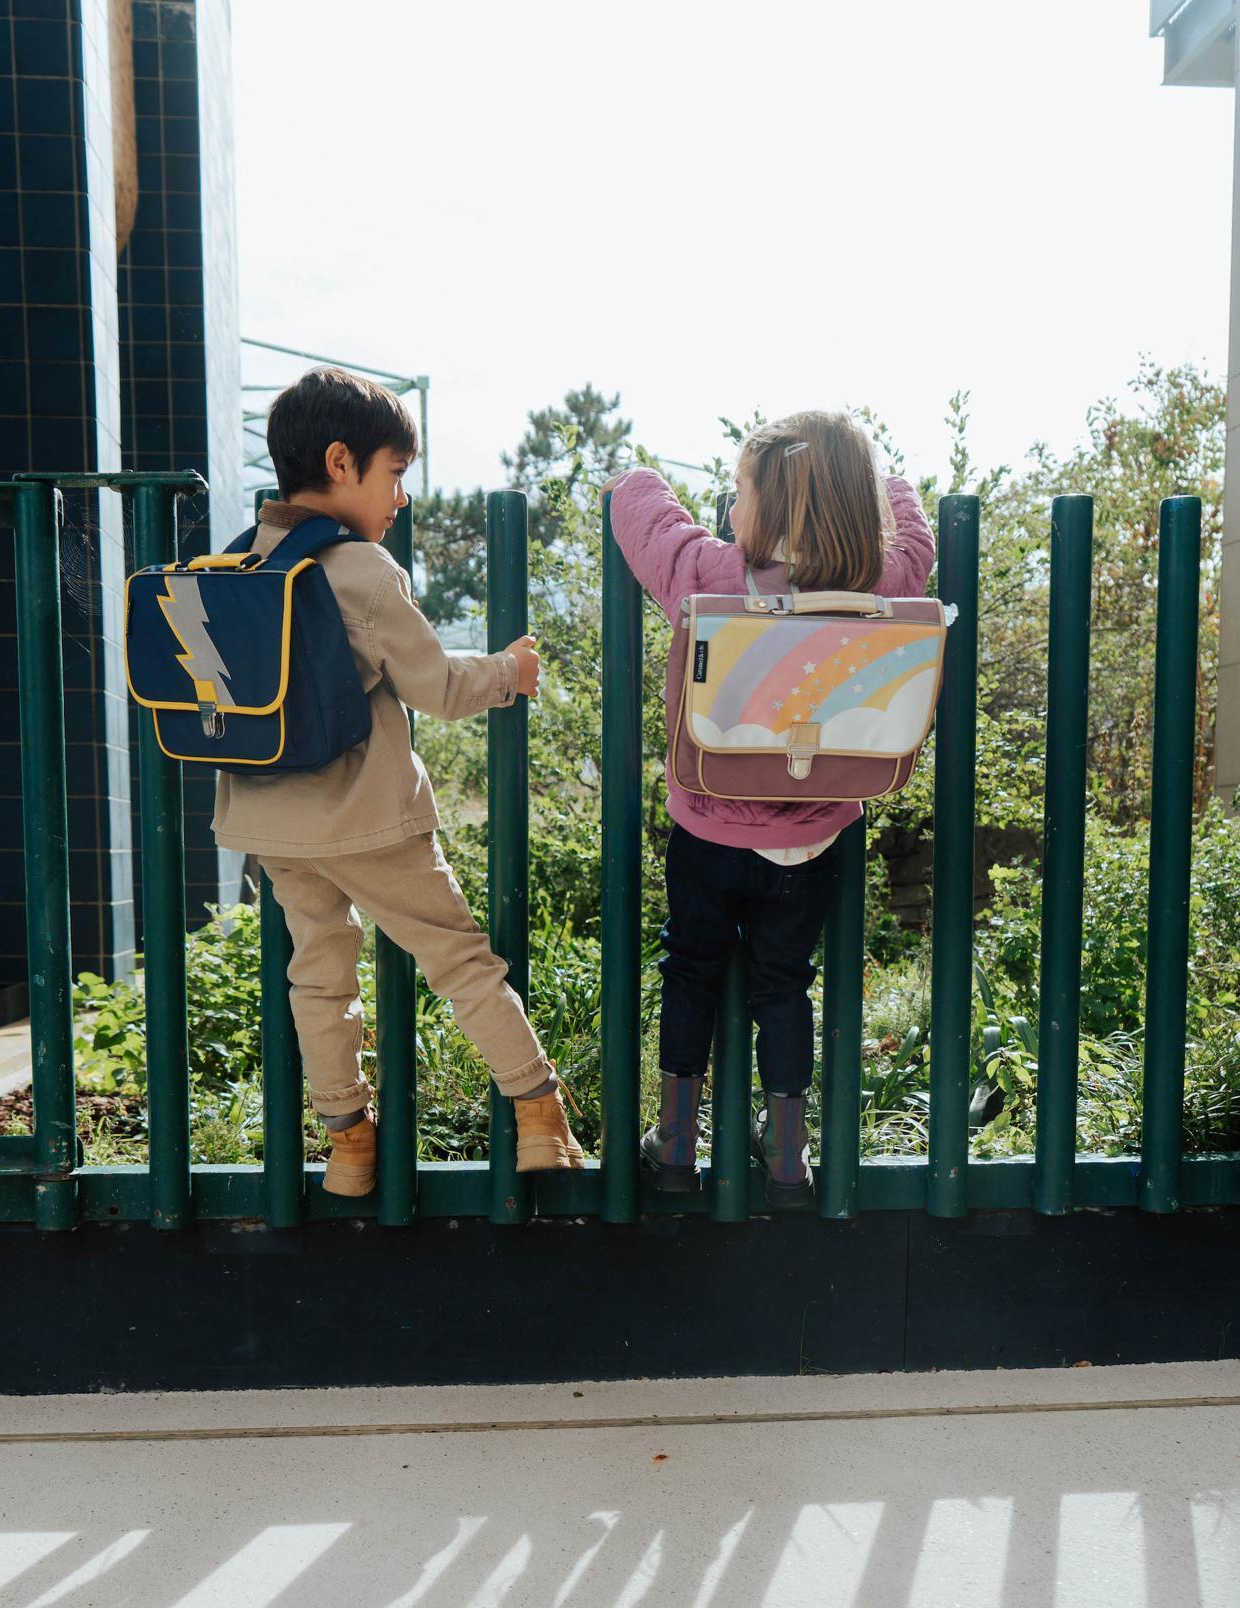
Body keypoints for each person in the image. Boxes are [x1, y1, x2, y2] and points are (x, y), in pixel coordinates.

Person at [212, 367, 580, 1196]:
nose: (403, 499)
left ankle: (347, 1143)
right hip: (367, 819)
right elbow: (438, 689)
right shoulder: (361, 571)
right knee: (460, 962)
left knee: (317, 974)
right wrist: (509, 672)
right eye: (396, 474)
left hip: (268, 822)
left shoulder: (236, 566)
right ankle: (537, 1118)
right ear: (341, 462)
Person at [605, 411, 935, 1205]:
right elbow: (915, 529)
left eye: (738, 492)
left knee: (689, 971)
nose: (727, 508)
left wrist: (636, 472)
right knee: (784, 985)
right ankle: (787, 1155)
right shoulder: (882, 584)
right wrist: (865, 480)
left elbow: (636, 505)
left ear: (766, 508)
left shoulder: (713, 576)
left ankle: (676, 1146)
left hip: (709, 828)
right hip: (815, 839)